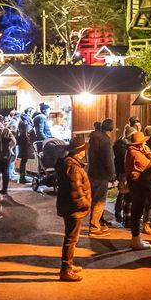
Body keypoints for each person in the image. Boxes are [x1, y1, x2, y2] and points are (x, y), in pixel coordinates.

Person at [56, 136, 91, 282]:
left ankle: (69, 265)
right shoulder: (73, 167)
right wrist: (85, 204)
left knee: (72, 238)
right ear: (78, 152)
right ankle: (66, 270)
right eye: (82, 150)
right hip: (73, 209)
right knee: (71, 239)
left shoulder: (69, 163)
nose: (84, 153)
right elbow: (75, 191)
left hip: (69, 206)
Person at [124, 128, 151, 251]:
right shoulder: (135, 153)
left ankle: (136, 239)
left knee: (137, 211)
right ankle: (136, 239)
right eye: (143, 142)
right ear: (139, 144)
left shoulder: (133, 151)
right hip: (138, 186)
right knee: (137, 212)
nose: (145, 144)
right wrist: (149, 154)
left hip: (138, 185)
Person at [86, 119, 116, 235]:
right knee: (99, 201)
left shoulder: (93, 138)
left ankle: (98, 222)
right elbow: (109, 160)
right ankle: (94, 227)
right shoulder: (105, 140)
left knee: (95, 199)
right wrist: (112, 174)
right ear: (111, 129)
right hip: (102, 174)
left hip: (93, 172)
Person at [0, 114, 16, 196]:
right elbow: (14, 142)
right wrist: (10, 148)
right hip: (6, 154)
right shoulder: (6, 130)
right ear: (2, 121)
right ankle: (4, 190)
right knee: (6, 172)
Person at [15, 109, 36, 184]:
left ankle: (22, 177)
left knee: (24, 160)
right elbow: (25, 134)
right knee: (24, 160)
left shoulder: (23, 121)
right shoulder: (25, 122)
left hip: (23, 143)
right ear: (28, 113)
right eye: (31, 112)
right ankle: (22, 178)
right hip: (25, 144)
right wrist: (29, 142)